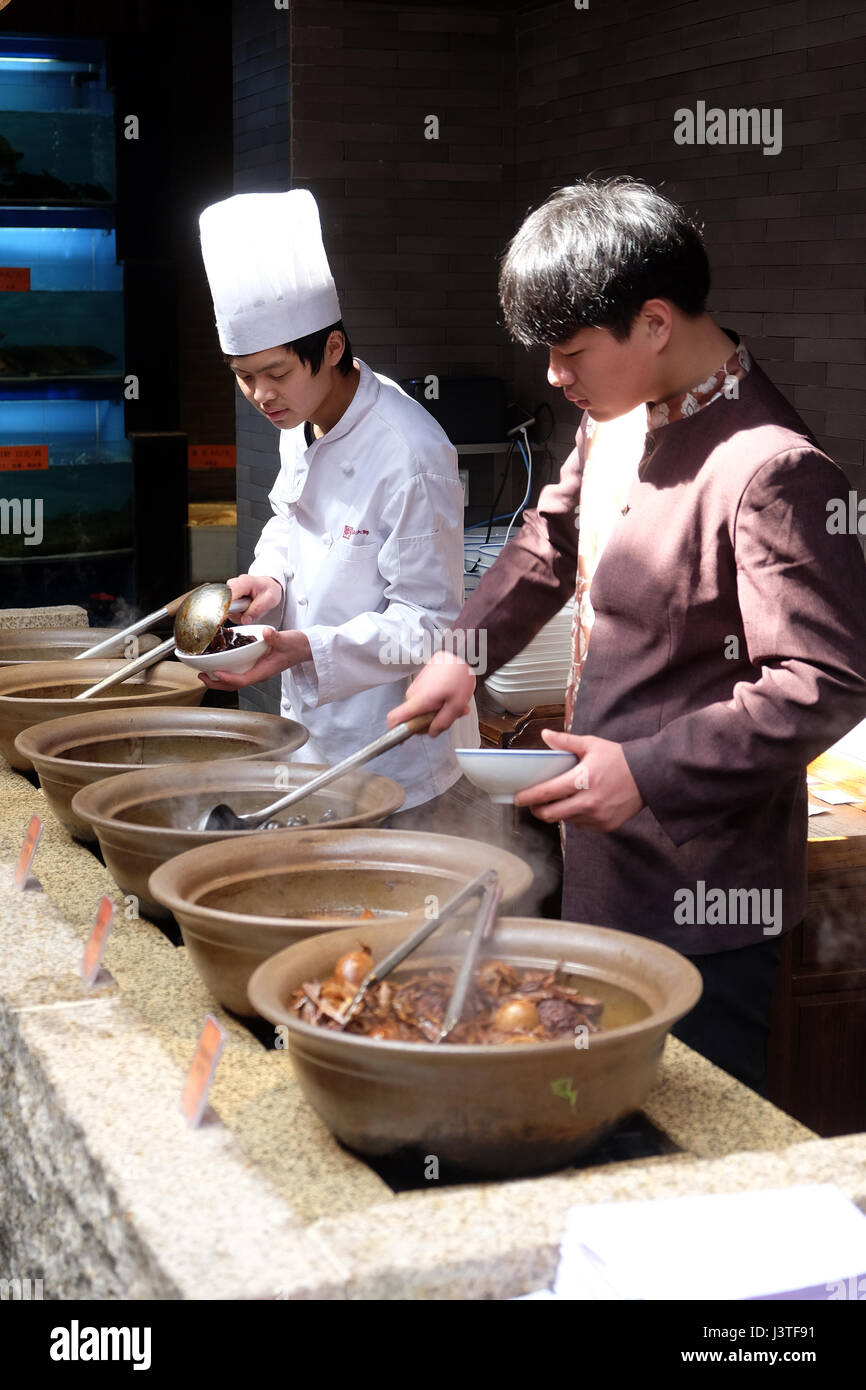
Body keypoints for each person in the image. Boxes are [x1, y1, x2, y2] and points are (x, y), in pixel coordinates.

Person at [387, 177, 866, 1093]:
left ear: (653, 323)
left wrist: (646, 771)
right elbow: (550, 536)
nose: (554, 377)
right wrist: (464, 649)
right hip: (601, 853)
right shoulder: (616, 416)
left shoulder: (770, 468)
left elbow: (824, 678)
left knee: (686, 1147)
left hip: (702, 892)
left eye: (569, 353)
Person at [197, 188, 478, 810]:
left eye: (276, 373)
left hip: (399, 750)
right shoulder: (301, 421)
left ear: (331, 348)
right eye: (244, 376)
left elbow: (431, 625)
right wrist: (269, 579)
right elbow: (287, 516)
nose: (262, 395)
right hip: (314, 744)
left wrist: (309, 648)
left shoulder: (410, 453)